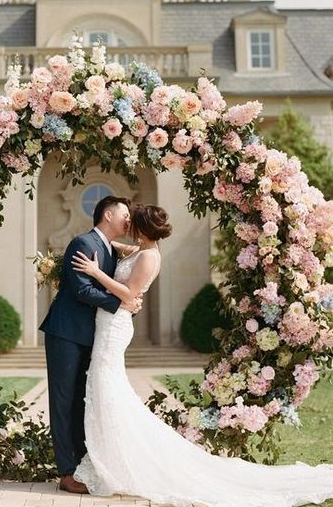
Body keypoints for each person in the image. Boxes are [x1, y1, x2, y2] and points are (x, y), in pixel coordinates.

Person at [71, 204, 333, 507]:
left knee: (108, 390)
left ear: (142, 229)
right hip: (108, 325)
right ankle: (113, 458)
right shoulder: (140, 249)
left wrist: (93, 272)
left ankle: (117, 462)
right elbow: (118, 247)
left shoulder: (149, 256)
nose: (128, 224)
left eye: (133, 222)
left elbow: (129, 294)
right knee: (106, 390)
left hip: (115, 327)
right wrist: (104, 242)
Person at [39, 196, 142, 494]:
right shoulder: (82, 244)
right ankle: (67, 473)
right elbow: (82, 289)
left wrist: (127, 297)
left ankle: (84, 465)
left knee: (82, 401)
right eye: (124, 214)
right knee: (63, 401)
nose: (128, 220)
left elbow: (144, 252)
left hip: (91, 336)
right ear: (108, 215)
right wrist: (123, 303)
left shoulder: (109, 249)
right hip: (66, 333)